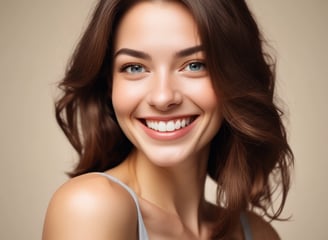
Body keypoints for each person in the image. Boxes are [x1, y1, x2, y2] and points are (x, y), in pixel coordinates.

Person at [42, 0, 293, 239]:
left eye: (195, 65)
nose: (162, 98)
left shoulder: (258, 234)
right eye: (135, 67)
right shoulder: (91, 207)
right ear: (110, 83)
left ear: (236, 78)